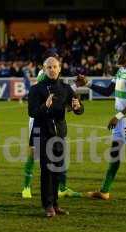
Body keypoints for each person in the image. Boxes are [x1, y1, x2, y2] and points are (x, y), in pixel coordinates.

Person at [76, 43, 126, 202]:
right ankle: (104, 191)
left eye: (119, 53)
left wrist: (117, 117)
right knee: (114, 153)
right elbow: (107, 92)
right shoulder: (120, 71)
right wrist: (88, 84)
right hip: (121, 118)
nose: (116, 56)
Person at [28, 56, 84, 217]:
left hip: (59, 135)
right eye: (49, 67)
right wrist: (45, 106)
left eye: (54, 67)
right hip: (42, 134)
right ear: (44, 70)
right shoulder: (36, 89)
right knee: (47, 170)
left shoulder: (66, 89)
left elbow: (79, 108)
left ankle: (55, 204)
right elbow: (32, 112)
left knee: (57, 170)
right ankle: (48, 206)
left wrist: (78, 107)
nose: (52, 70)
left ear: (60, 69)